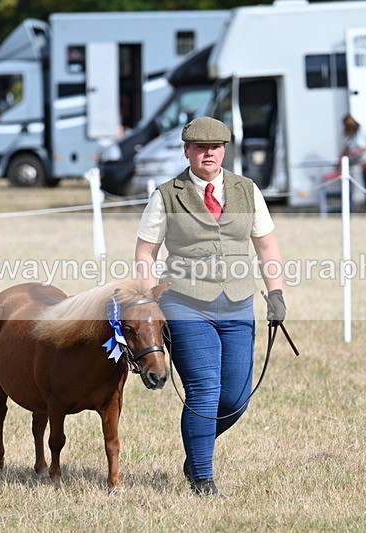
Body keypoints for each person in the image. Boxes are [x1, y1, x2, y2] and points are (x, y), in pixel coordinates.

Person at [134, 116, 287, 496]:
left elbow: (266, 244)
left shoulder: (247, 190)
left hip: (238, 304)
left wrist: (277, 292)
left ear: (224, 150)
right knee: (204, 390)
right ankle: (202, 478)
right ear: (187, 151)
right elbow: (145, 252)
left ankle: (195, 449)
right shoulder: (167, 195)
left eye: (215, 147)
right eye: (200, 147)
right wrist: (151, 302)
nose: (208, 153)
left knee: (236, 398)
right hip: (185, 304)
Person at [341, 114, 366, 214]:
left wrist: (361, 150)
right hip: (362, 163)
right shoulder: (350, 135)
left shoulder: (362, 130)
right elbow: (346, 148)